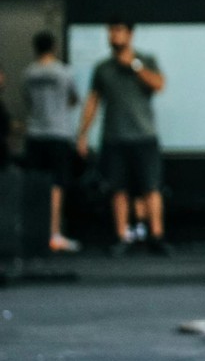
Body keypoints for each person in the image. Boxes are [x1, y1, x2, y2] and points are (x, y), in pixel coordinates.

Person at [76, 18, 172, 257]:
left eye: (118, 30)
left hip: (144, 135)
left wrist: (135, 66)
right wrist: (83, 134)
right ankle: (122, 236)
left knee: (151, 187)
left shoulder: (145, 61)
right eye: (110, 31)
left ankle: (156, 236)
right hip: (114, 137)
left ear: (129, 34)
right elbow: (93, 101)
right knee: (118, 189)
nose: (113, 35)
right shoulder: (103, 68)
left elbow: (160, 85)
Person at [21, 32, 82, 253]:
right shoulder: (63, 72)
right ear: (54, 47)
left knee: (36, 185)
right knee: (56, 186)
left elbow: (27, 100)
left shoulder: (28, 73)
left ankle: (35, 235)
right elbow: (74, 99)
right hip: (58, 134)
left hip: (35, 134)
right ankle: (53, 234)